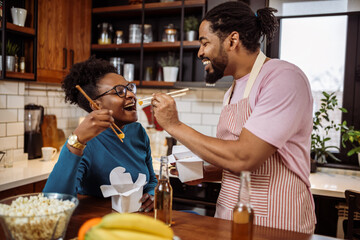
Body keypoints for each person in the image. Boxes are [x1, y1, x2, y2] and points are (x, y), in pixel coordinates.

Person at [151, 1, 316, 233]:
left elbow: (245, 157)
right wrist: (204, 173)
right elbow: (238, 166)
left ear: (232, 40)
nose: (200, 52)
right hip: (229, 219)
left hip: (275, 224)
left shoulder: (283, 78)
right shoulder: (232, 91)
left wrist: (174, 125)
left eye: (205, 43)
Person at [43, 56, 157, 212]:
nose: (131, 95)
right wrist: (77, 141)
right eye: (119, 91)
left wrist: (152, 195)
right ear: (96, 105)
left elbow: (151, 181)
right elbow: (53, 203)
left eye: (129, 88)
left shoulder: (138, 132)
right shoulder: (85, 143)